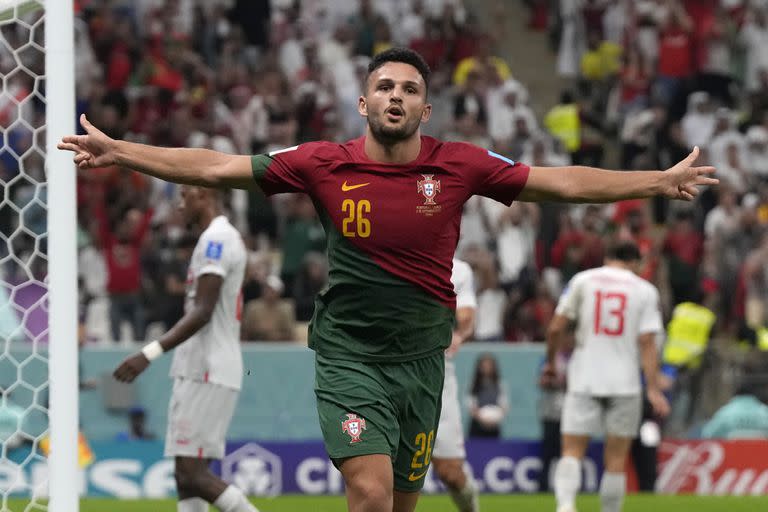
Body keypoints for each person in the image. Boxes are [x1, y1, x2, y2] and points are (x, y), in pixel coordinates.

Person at [60, 47, 716, 512]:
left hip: (423, 361)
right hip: (350, 358)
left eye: (408, 89)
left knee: (400, 503)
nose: (395, 96)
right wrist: (122, 151)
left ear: (425, 108)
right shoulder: (321, 162)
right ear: (363, 100)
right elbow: (215, 165)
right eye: (385, 87)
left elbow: (561, 182)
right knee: (368, 493)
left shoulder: (460, 164)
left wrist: (655, 181)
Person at [111, 186, 256, 512]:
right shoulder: (216, 238)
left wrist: (147, 354)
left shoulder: (216, 241)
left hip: (207, 367)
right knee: (184, 475)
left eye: (185, 196)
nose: (179, 205)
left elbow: (203, 311)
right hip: (199, 366)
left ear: (204, 195)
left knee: (192, 473)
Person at [543, 241, 671, 512]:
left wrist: (552, 363)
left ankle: (565, 507)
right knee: (616, 459)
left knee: (572, 451)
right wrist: (653, 388)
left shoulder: (583, 280)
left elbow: (555, 328)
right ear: (636, 262)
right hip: (625, 384)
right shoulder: (645, 290)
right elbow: (647, 341)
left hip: (584, 378)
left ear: (607, 256)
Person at [432, 258, 479, 512]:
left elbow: (467, 313)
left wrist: (459, 334)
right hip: (387, 366)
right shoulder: (391, 252)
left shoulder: (459, 268)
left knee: (450, 472)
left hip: (438, 370)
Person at [467, 353, 508, 438]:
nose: (486, 368)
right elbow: (471, 405)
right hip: (477, 426)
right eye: (484, 365)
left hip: (494, 426)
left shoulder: (500, 384)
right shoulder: (473, 384)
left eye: (489, 365)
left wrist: (493, 420)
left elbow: (504, 405)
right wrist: (481, 419)